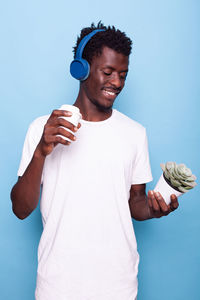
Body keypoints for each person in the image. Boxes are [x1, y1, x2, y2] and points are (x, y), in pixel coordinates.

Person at [11, 22, 179, 300]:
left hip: (119, 285)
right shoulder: (43, 128)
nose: (117, 83)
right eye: (108, 72)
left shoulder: (135, 133)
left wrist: (153, 209)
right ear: (82, 69)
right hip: (58, 286)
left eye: (123, 74)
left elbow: (135, 203)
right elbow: (20, 208)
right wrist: (41, 150)